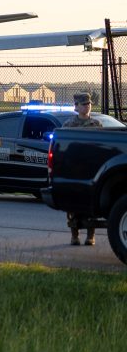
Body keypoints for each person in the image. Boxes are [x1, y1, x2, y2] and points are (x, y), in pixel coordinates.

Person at [62, 93, 101, 245]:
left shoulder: (96, 125)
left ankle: (90, 236)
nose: (87, 106)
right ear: (76, 107)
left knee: (91, 204)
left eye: (88, 103)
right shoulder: (69, 125)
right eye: (83, 104)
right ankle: (74, 235)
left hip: (91, 171)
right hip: (74, 171)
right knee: (72, 204)